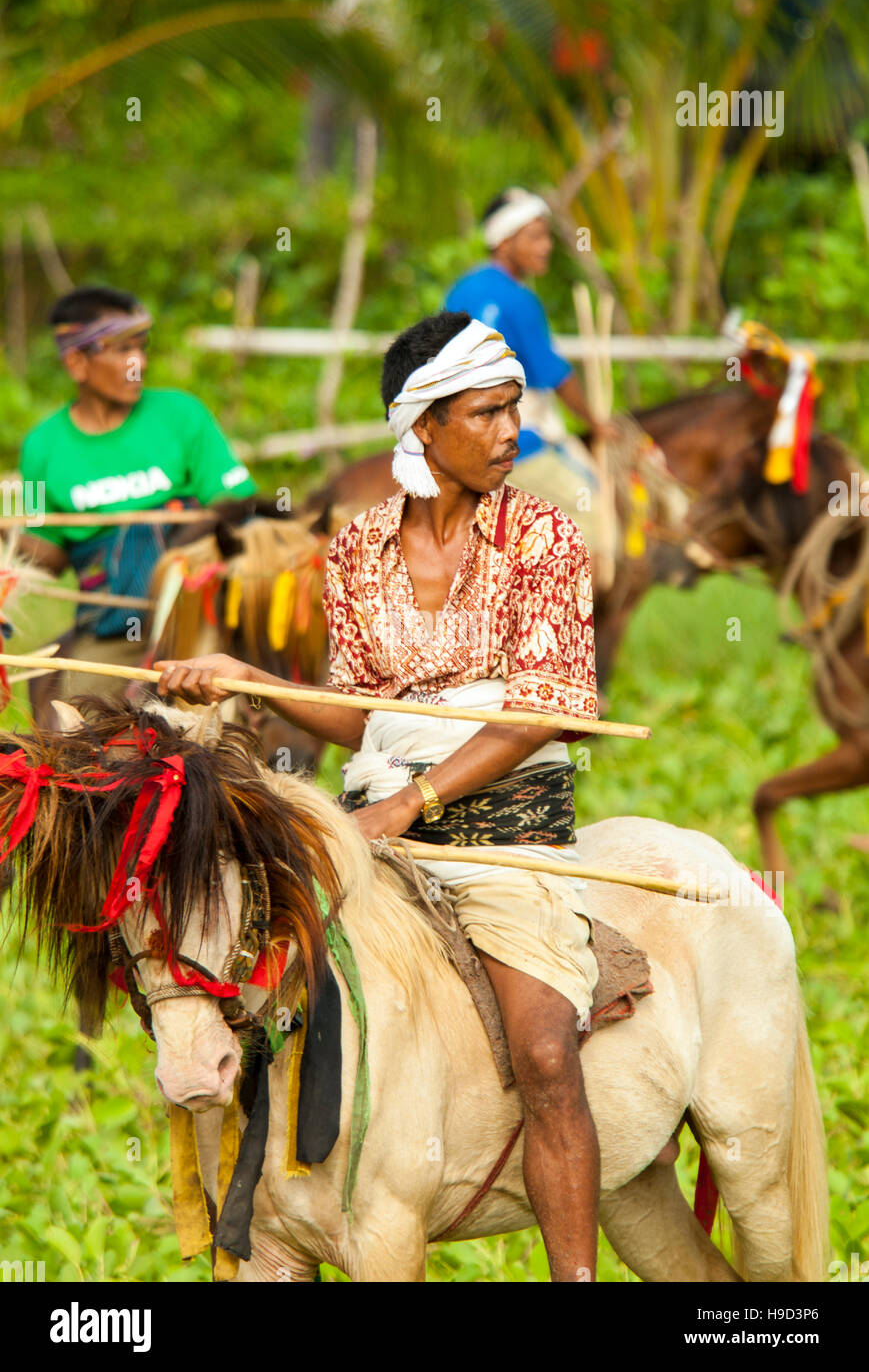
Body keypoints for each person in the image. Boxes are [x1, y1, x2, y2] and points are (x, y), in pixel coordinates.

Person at [154, 311, 604, 1282]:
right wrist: (246, 678)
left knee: (544, 1049)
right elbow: (363, 717)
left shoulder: (542, 535)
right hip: (372, 825)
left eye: (512, 409)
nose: (508, 432)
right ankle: (281, 1211)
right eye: (485, 413)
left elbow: (539, 715)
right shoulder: (357, 549)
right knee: (245, 986)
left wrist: (416, 799)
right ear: (422, 426)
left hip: (500, 831)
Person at [17, 285, 257, 725]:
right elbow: (40, 547)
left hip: (194, 614)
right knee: (75, 727)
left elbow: (236, 506)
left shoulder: (183, 415)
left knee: (227, 731)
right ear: (76, 362)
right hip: (110, 624)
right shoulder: (39, 448)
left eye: (141, 349)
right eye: (122, 350)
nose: (139, 363)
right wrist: (11, 535)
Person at [445, 187, 616, 554]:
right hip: (509, 444)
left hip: (452, 437)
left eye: (547, 236)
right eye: (535, 236)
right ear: (504, 242)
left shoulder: (460, 289)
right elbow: (556, 375)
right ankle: (573, 612)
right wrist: (597, 424)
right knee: (596, 519)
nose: (547, 246)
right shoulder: (519, 298)